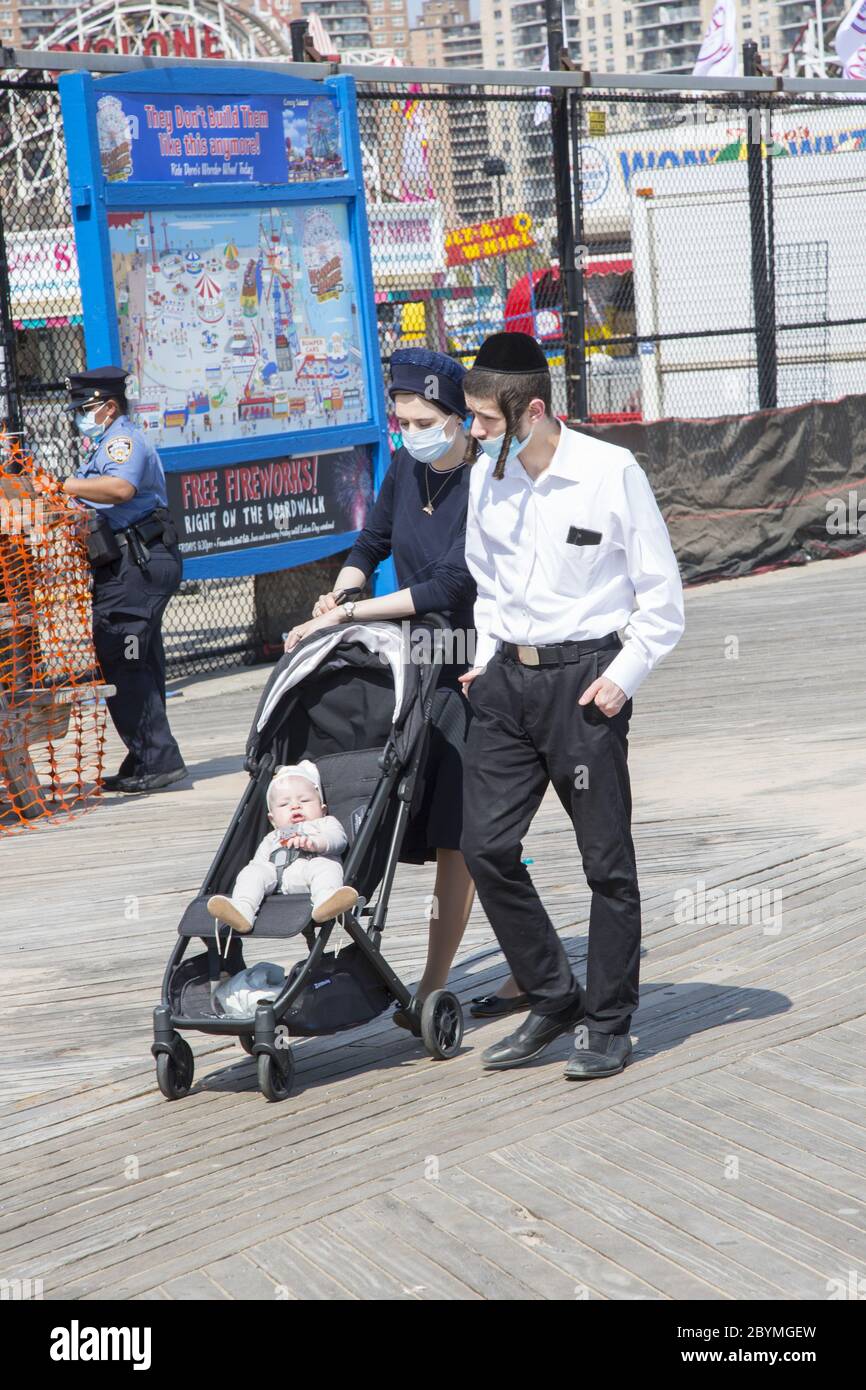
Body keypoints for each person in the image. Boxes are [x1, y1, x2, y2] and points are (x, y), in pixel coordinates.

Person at [459, 332, 685, 1079]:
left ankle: (609, 1020)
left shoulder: (608, 472)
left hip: (586, 682)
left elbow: (661, 597)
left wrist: (625, 675)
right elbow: (484, 578)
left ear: (533, 410)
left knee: (605, 864)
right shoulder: (484, 476)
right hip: (504, 686)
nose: (472, 432)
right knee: (486, 847)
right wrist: (482, 656)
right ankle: (554, 995)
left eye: (485, 420)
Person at [284, 348, 477, 1024]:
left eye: (422, 420)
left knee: (462, 834)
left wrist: (355, 612)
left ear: (457, 418)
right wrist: (339, 591)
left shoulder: (483, 479)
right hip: (409, 659)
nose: (409, 431)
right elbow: (371, 545)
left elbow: (453, 582)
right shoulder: (404, 468)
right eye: (400, 420)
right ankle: (345, 946)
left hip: (470, 662)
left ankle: (432, 979)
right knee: (385, 800)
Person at [62, 367, 186, 794]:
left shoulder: (121, 440)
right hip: (129, 564)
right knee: (139, 660)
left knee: (123, 653)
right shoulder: (102, 444)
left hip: (139, 562)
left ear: (108, 407)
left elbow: (119, 489)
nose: (79, 415)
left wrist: (63, 485)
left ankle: (158, 758)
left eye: (85, 408)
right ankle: (145, 755)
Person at [207, 761, 359, 933]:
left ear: (322, 809)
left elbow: (338, 839)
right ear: (272, 820)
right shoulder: (273, 836)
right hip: (275, 879)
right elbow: (259, 862)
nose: (295, 806)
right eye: (284, 804)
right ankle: (243, 909)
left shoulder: (324, 823)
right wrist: (258, 872)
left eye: (305, 800)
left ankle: (325, 900)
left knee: (325, 867)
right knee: (252, 872)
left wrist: (317, 843)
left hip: (308, 873)